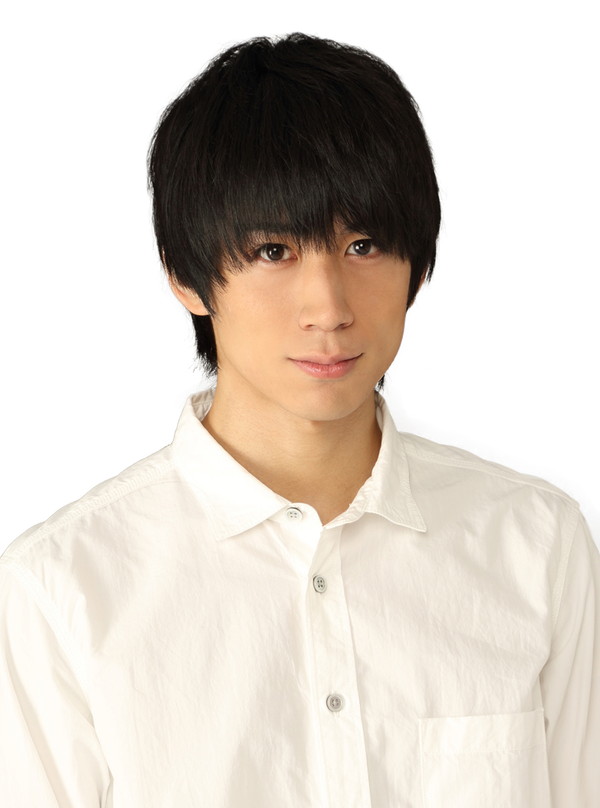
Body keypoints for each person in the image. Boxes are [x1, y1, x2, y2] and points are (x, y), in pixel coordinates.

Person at [0, 32, 598, 808]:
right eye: (274, 250)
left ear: (418, 262)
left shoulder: (537, 545)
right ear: (186, 275)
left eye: (363, 244)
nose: (330, 307)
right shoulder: (63, 589)